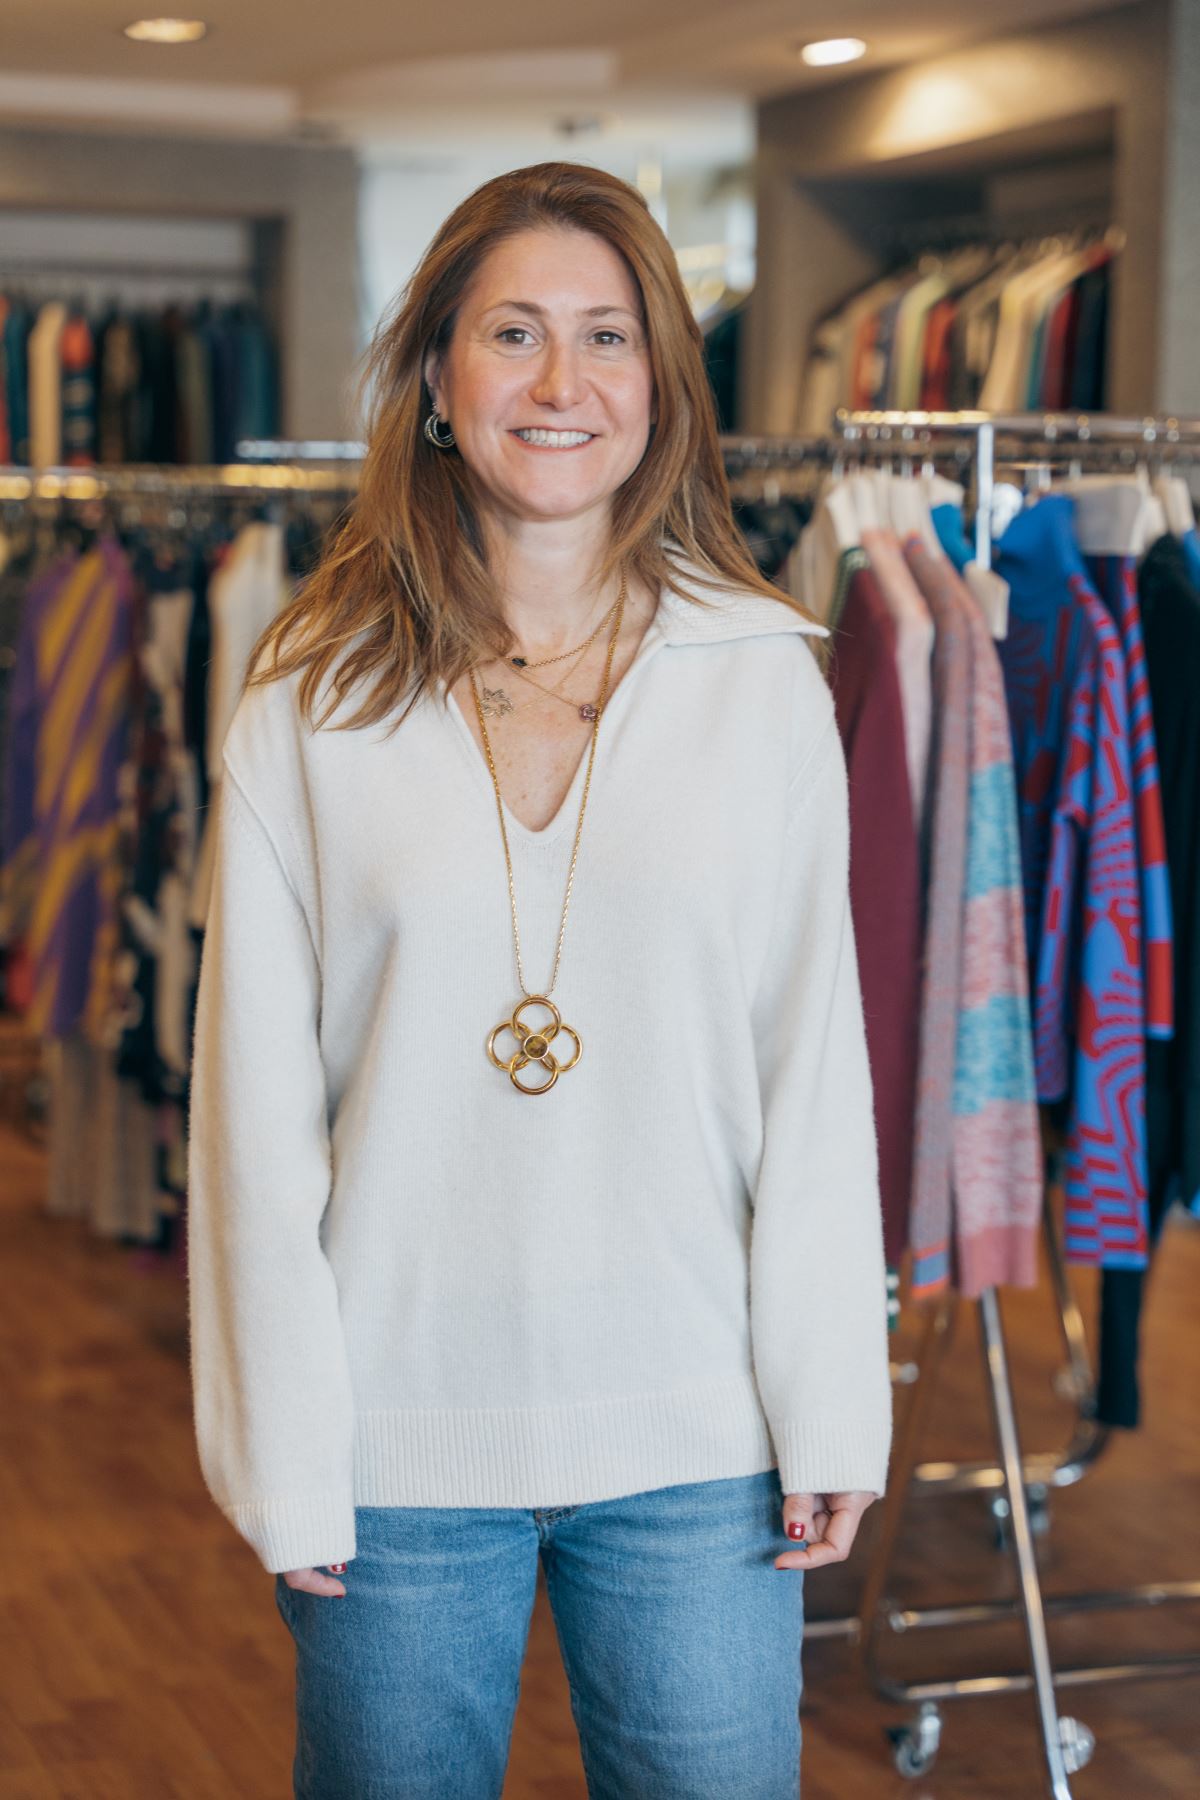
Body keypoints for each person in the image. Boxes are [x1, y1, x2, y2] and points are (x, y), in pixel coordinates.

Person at [186, 160, 892, 1800]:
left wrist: (830, 1407)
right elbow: (251, 1128)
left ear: (661, 390)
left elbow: (814, 1082)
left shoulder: (765, 681)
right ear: (438, 379)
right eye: (514, 332)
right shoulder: (308, 699)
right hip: (394, 1451)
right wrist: (280, 1447)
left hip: (701, 1442)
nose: (562, 381)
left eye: (608, 336)